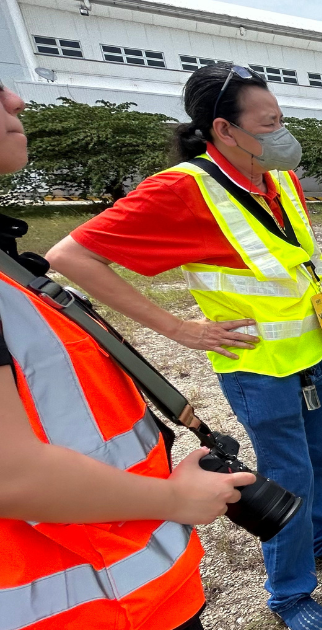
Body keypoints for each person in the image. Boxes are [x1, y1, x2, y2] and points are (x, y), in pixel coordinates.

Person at [45, 65, 322, 630]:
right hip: (258, 365)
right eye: (268, 124)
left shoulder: (277, 177)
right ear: (224, 129)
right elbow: (71, 257)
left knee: (313, 458)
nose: (281, 133)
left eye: (282, 120)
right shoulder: (185, 188)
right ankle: (290, 595)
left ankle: (320, 540)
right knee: (287, 471)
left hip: (317, 349)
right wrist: (180, 329)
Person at [0, 80, 255, 630]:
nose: (16, 100)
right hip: (80, 603)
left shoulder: (10, 271)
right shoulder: (188, 185)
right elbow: (10, 476)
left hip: (138, 587)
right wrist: (173, 501)